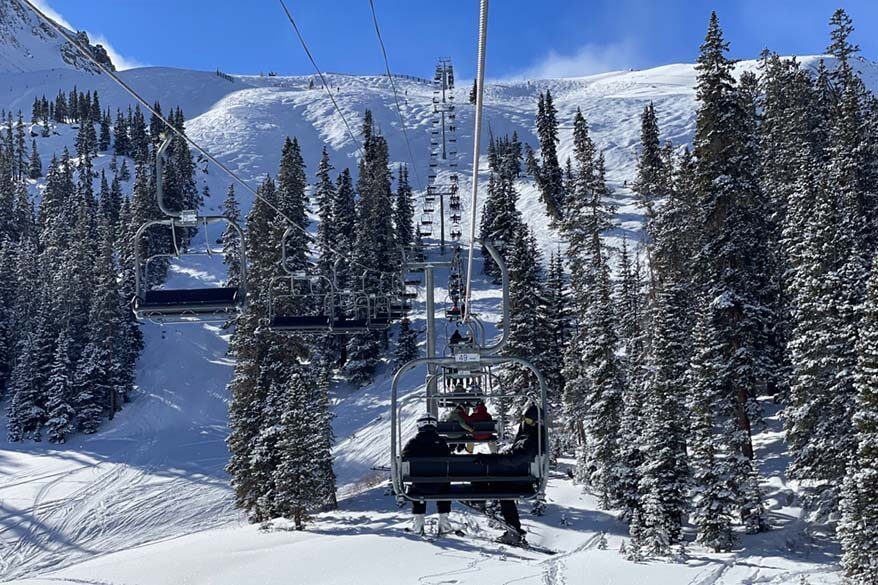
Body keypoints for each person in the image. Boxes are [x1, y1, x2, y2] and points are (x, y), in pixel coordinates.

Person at [493, 400, 545, 545]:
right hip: (521, 475)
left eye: (528, 420)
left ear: (536, 422)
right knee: (504, 494)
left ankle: (512, 528)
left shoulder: (532, 438)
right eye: (524, 419)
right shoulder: (529, 435)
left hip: (522, 478)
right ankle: (513, 529)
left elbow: (517, 459)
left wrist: (496, 460)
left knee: (491, 480)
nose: (525, 423)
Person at [402, 413, 453, 535]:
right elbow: (449, 459)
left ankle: (418, 525)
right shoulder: (441, 442)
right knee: (445, 486)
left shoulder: (413, 443)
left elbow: (404, 458)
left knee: (416, 489)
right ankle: (444, 524)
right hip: (440, 487)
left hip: (419, 486)